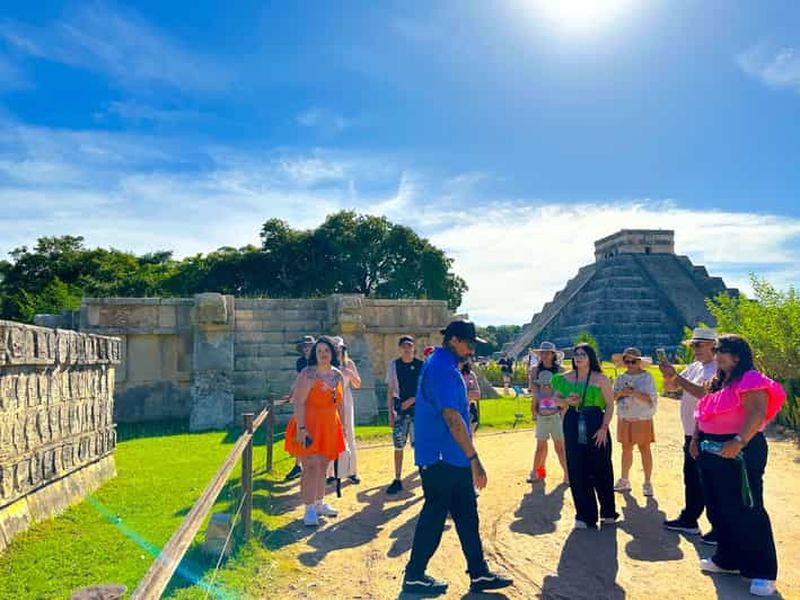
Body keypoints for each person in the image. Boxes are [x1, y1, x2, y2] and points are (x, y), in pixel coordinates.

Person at [402, 319, 513, 595]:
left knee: (465, 514)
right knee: (436, 513)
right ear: (454, 340)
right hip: (444, 456)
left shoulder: (442, 364)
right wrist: (474, 457)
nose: (472, 350)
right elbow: (452, 417)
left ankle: (478, 572)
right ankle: (414, 575)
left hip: (447, 454)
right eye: (470, 344)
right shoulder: (442, 369)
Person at [691, 334, 785, 597]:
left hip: (740, 449)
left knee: (747, 507)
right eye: (716, 350)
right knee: (719, 506)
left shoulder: (750, 379)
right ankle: (727, 559)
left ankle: (763, 572)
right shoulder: (717, 382)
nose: (718, 355)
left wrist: (739, 441)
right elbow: (702, 413)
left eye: (723, 350)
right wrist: (696, 439)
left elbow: (757, 412)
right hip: (711, 449)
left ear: (738, 355)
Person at [659, 327, 719, 543]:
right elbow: (671, 388)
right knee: (692, 478)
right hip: (691, 432)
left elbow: (703, 393)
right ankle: (690, 518)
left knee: (710, 481)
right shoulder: (695, 366)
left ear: (713, 346)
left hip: (708, 432)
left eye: (699, 345)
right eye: (693, 345)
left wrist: (676, 376)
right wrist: (669, 377)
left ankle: (719, 527)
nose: (695, 349)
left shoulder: (717, 368)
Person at [552, 343, 618, 530]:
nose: (578, 357)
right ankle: (584, 514)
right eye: (576, 354)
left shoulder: (601, 379)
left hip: (595, 421)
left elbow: (610, 405)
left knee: (601, 467)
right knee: (576, 468)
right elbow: (553, 400)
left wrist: (604, 427)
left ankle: (608, 511)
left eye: (583, 354)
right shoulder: (565, 378)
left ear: (590, 358)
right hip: (573, 421)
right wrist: (566, 401)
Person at [284, 336, 347, 527]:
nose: (323, 354)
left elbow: (340, 404)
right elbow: (298, 402)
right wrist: (301, 428)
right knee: (310, 467)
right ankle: (309, 508)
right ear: (314, 354)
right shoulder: (308, 374)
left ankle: (319, 503)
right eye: (319, 351)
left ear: (332, 353)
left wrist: (343, 427)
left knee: (323, 465)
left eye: (326, 350)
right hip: (308, 424)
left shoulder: (337, 375)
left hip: (330, 425)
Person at [612, 348, 658, 496]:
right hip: (625, 417)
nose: (630, 364)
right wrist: (621, 393)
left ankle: (647, 482)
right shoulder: (620, 377)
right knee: (626, 449)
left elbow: (651, 399)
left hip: (642, 418)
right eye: (627, 361)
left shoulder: (647, 377)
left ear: (639, 362)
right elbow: (613, 397)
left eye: (633, 361)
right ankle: (624, 479)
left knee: (644, 449)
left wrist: (633, 393)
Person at [385, 335, 423, 495]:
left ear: (413, 348)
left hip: (417, 411)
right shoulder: (394, 365)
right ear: (400, 349)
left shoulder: (421, 365)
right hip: (400, 411)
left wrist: (413, 399)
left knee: (419, 446)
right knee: (398, 446)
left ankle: (424, 476)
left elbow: (425, 388)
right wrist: (390, 413)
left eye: (409, 346)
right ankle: (398, 478)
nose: (407, 349)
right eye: (404, 346)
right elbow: (390, 390)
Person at [527, 341, 566, 483]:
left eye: (547, 353)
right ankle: (537, 472)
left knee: (560, 447)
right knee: (541, 446)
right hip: (542, 412)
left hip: (557, 413)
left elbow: (564, 390)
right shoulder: (535, 370)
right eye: (542, 353)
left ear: (553, 354)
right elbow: (533, 389)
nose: (544, 355)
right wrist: (536, 407)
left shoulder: (560, 370)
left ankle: (567, 474)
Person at [327, 337, 362, 484]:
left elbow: (358, 384)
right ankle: (330, 473)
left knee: (348, 433)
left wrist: (349, 373)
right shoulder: (328, 365)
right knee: (331, 434)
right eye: (336, 348)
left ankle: (351, 471)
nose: (338, 351)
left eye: (340, 348)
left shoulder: (349, 363)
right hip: (330, 400)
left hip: (346, 399)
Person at [285, 335, 317, 482]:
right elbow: (298, 380)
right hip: (304, 399)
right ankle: (298, 465)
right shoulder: (301, 362)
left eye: (309, 346)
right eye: (304, 346)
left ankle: (317, 466)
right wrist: (292, 394)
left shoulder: (319, 361)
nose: (306, 348)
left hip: (316, 400)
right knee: (299, 430)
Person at [461, 361, 481, 435]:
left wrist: (465, 394)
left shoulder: (471, 375)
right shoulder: (453, 375)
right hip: (458, 407)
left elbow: (478, 394)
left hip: (470, 405)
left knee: (473, 422)